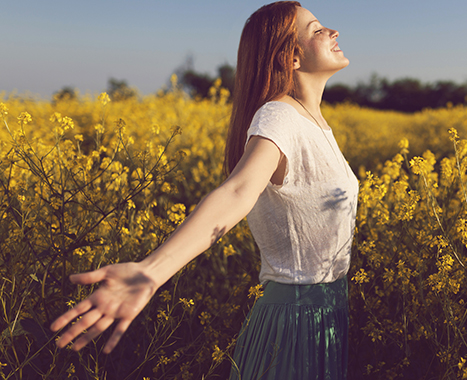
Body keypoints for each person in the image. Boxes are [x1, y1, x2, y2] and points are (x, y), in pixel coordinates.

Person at [50, 2, 356, 379]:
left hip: (328, 312)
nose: (332, 32)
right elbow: (237, 192)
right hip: (293, 319)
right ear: (291, 57)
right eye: (316, 29)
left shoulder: (314, 122)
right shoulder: (280, 116)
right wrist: (151, 271)